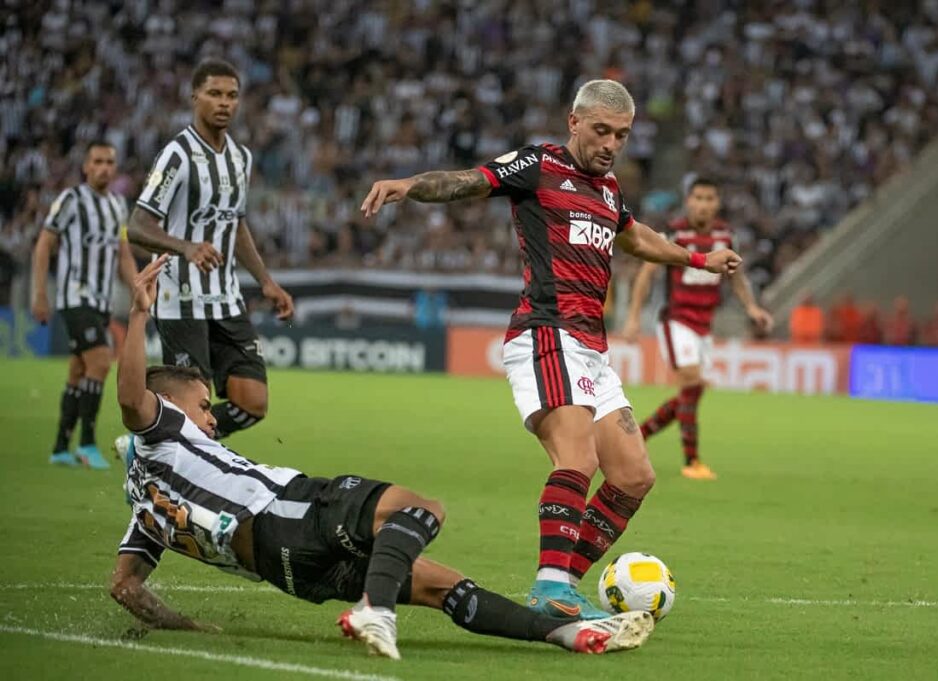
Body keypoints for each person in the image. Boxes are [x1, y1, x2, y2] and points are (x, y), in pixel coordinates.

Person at [112, 255, 654, 660]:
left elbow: (126, 587)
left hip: (289, 574)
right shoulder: (163, 428)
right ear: (168, 405)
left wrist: (186, 628)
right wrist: (140, 317)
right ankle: (377, 609)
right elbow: (132, 399)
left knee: (441, 586)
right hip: (287, 509)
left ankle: (565, 633)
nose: (212, 418)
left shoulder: (144, 507)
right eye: (204, 407)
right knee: (421, 509)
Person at [361, 80, 741, 619]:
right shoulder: (539, 164)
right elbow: (469, 181)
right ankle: (551, 586)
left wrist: (699, 261)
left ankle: (565, 585)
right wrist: (410, 185)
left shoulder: (608, 190)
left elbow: (635, 238)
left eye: (623, 135)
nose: (611, 144)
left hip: (591, 348)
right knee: (578, 458)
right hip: (547, 332)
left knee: (634, 475)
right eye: (602, 131)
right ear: (574, 122)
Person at [126, 58, 294, 439]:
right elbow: (137, 224)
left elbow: (234, 223)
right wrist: (185, 247)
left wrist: (266, 281)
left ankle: (155, 440)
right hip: (179, 295)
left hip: (226, 295)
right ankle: (178, 472)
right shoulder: (178, 154)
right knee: (191, 400)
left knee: (253, 401)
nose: (224, 103)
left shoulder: (241, 158)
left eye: (232, 96)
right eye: (214, 94)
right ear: (194, 97)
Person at [622, 178, 772, 481]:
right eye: (698, 198)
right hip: (676, 320)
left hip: (705, 326)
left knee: (692, 390)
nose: (703, 204)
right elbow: (645, 275)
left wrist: (752, 308)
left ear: (717, 203)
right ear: (688, 201)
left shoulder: (726, 236)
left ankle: (635, 438)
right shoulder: (674, 233)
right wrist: (634, 317)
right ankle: (692, 460)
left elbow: (737, 277)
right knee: (691, 381)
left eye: (709, 198)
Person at [30, 141, 138, 469]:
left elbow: (122, 252)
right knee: (102, 360)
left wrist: (139, 290)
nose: (104, 167)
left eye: (110, 162)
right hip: (75, 296)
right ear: (86, 167)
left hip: (102, 300)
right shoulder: (71, 200)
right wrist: (39, 294)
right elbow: (44, 245)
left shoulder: (118, 205)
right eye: (98, 161)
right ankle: (87, 444)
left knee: (79, 369)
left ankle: (61, 447)